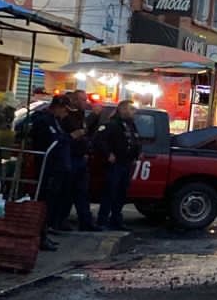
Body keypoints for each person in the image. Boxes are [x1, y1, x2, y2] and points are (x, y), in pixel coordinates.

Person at [24, 96, 73, 251]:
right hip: (48, 168)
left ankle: (43, 234)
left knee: (50, 203)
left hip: (57, 167)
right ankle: (39, 236)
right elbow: (53, 141)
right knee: (44, 202)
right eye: (64, 109)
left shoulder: (55, 120)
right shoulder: (44, 121)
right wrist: (70, 136)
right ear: (57, 106)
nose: (65, 113)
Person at [94, 100, 143, 232]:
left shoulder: (130, 124)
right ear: (122, 109)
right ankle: (102, 221)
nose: (134, 112)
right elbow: (99, 140)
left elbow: (135, 140)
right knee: (109, 193)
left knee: (121, 194)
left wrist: (138, 153)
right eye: (132, 109)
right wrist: (108, 154)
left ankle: (116, 220)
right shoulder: (112, 124)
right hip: (115, 165)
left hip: (126, 163)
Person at [61, 93, 98, 232]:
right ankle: (61, 220)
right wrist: (93, 116)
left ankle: (86, 222)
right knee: (67, 192)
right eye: (83, 100)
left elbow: (86, 132)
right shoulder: (68, 115)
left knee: (82, 192)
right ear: (74, 100)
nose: (86, 102)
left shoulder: (81, 114)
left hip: (81, 158)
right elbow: (76, 131)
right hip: (71, 158)